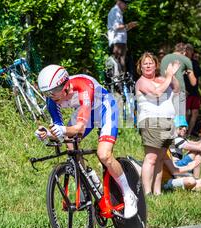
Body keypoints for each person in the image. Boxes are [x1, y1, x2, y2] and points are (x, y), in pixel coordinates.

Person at [34, 65, 138, 219]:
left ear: (65, 85)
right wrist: (47, 133)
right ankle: (89, 180)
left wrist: (62, 131)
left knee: (104, 155)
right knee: (69, 143)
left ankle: (129, 194)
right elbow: (61, 132)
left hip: (104, 108)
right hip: (86, 112)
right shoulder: (52, 101)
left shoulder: (83, 86)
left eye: (53, 92)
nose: (50, 96)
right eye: (46, 93)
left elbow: (79, 128)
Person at [135, 52, 181, 195]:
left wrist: (171, 74)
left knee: (160, 159)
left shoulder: (162, 79)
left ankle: (157, 192)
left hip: (167, 122)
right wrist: (168, 77)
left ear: (156, 65)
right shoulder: (142, 81)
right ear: (141, 68)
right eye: (145, 63)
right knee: (151, 158)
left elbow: (177, 88)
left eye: (151, 63)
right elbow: (156, 93)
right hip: (151, 121)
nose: (148, 65)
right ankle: (146, 193)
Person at [160, 42, 197, 118]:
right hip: (178, 91)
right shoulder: (186, 59)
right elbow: (193, 82)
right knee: (178, 119)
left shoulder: (164, 58)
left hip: (163, 89)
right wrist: (189, 72)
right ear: (184, 52)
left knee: (166, 117)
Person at [107, 0, 138, 75]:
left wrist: (129, 27)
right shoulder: (115, 11)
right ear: (119, 2)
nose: (126, 6)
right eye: (125, 3)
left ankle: (122, 83)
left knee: (122, 63)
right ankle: (120, 84)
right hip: (117, 41)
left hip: (120, 41)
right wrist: (128, 25)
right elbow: (116, 27)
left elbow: (121, 29)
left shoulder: (118, 12)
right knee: (119, 63)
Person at [184, 44, 201, 136]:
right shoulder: (181, 62)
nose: (189, 51)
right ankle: (182, 132)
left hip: (195, 92)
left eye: (191, 50)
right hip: (185, 92)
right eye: (188, 49)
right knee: (186, 113)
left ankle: (188, 133)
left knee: (195, 113)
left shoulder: (195, 63)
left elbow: (200, 79)